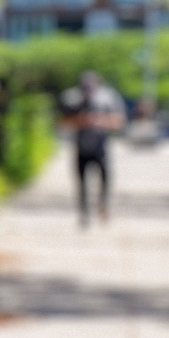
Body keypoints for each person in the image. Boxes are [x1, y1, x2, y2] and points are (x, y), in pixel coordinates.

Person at [60, 71, 126, 226]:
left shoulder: (108, 98)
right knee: (81, 182)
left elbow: (119, 122)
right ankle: (84, 213)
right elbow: (63, 123)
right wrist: (81, 121)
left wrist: (99, 121)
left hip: (100, 146)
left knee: (105, 179)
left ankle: (103, 206)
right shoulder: (72, 99)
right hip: (81, 146)